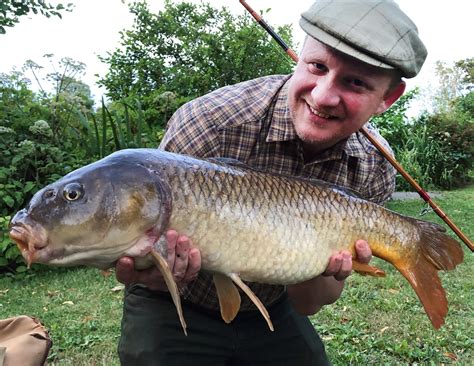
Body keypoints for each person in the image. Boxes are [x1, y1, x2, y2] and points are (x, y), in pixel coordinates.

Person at [115, 0, 427, 364]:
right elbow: (143, 252)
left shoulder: (371, 165)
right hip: (174, 300)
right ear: (299, 58)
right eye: (317, 66)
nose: (323, 96)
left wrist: (319, 270)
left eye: (356, 83)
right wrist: (152, 273)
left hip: (274, 302)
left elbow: (309, 302)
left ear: (387, 98)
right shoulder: (208, 123)